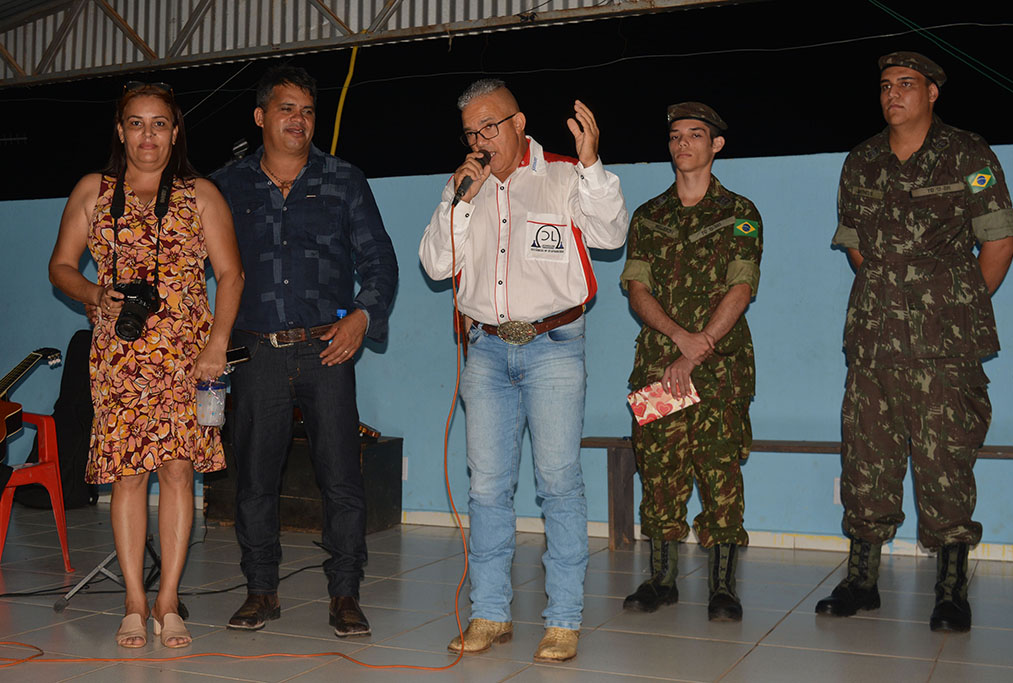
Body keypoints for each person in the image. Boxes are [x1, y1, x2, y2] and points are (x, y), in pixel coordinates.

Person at [419, 79, 628, 662]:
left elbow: (611, 234)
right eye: (470, 133)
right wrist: (459, 199)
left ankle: (563, 619)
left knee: (559, 482)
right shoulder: (464, 186)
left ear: (519, 123)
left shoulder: (563, 174)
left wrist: (592, 165)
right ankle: (490, 614)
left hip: (554, 345)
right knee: (486, 487)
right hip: (486, 350)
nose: (480, 141)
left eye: (490, 127)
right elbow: (435, 265)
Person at [816, 52, 1013, 632]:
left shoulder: (968, 154)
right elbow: (857, 246)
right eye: (885, 85)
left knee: (945, 461)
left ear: (933, 92)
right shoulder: (861, 161)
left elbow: (999, 239)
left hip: (944, 344)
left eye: (907, 84)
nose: (893, 94)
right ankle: (862, 582)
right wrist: (894, 293)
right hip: (874, 337)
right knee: (866, 458)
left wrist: (956, 304)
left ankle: (950, 589)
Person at [49, 82, 244, 648]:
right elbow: (61, 266)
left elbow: (231, 274)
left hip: (188, 358)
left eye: (159, 123)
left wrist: (217, 344)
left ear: (175, 131)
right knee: (128, 475)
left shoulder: (201, 194)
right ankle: (134, 601)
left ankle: (168, 601)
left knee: (179, 472)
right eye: (136, 123)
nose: (148, 135)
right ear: (120, 131)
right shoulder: (92, 192)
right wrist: (93, 293)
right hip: (119, 357)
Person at [210, 65, 397, 638]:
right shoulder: (225, 186)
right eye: (287, 109)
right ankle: (260, 590)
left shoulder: (344, 179)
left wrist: (362, 318)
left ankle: (345, 593)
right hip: (256, 352)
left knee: (341, 477)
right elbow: (192, 265)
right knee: (255, 479)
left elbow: (380, 261)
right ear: (260, 116)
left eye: (309, 111)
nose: (300, 120)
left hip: (326, 351)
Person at [620, 103, 761, 621]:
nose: (683, 143)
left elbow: (740, 288)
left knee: (720, 473)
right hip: (659, 366)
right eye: (676, 135)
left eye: (695, 135)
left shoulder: (740, 212)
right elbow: (638, 289)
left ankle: (722, 588)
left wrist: (699, 346)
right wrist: (679, 340)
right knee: (658, 471)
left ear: (716, 144)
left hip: (720, 368)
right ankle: (661, 580)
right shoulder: (648, 215)